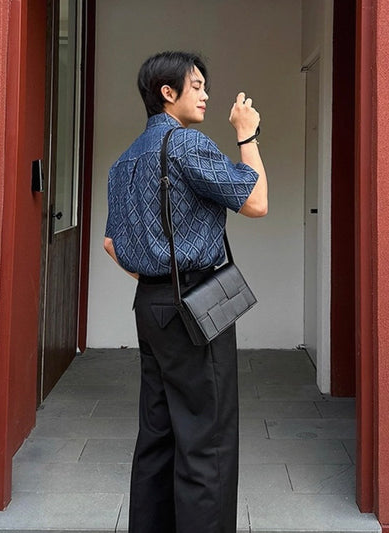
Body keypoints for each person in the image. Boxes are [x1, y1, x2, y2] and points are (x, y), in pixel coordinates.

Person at [104, 51, 267, 533]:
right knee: (206, 440)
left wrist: (156, 280)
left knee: (157, 434)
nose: (206, 95)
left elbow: (111, 244)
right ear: (167, 92)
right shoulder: (186, 144)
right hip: (195, 304)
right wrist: (247, 134)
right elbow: (255, 201)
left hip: (150, 305)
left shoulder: (123, 161)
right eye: (196, 86)